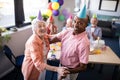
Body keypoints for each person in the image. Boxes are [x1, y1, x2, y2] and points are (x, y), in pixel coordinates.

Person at [49, 4, 90, 80]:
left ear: (86, 25)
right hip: (61, 65)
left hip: (71, 70)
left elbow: (83, 67)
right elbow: (52, 39)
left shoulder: (84, 43)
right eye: (75, 21)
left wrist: (67, 71)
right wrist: (39, 35)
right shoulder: (67, 31)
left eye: (80, 23)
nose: (76, 25)